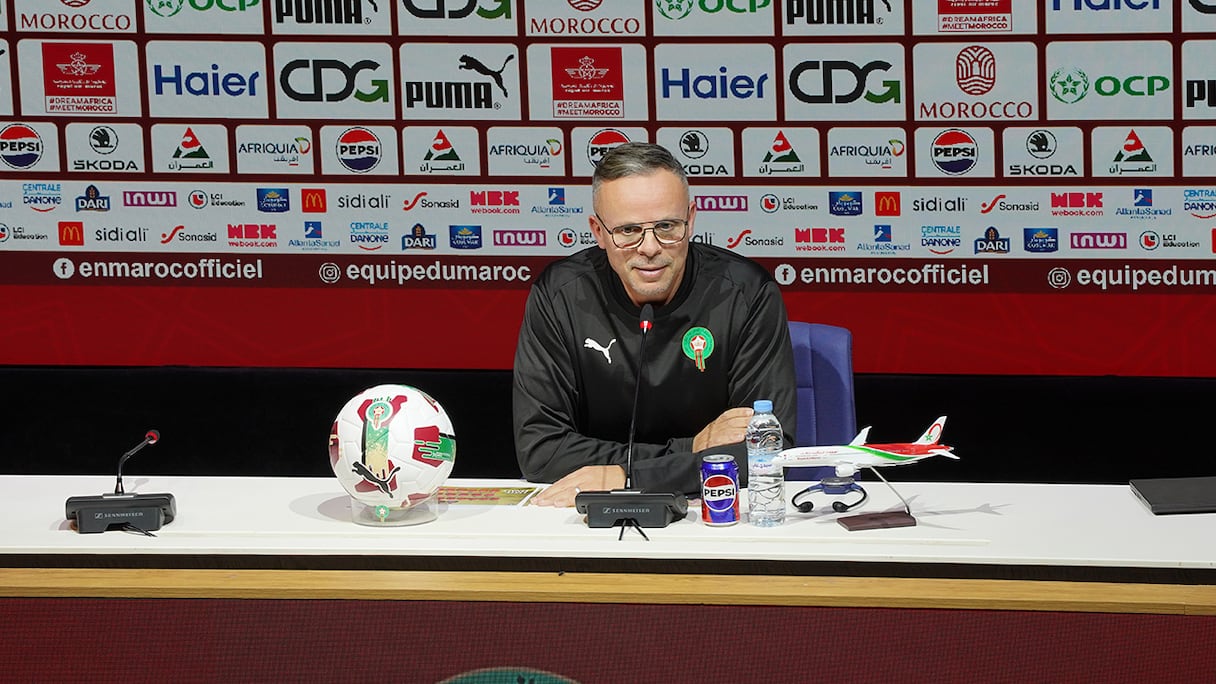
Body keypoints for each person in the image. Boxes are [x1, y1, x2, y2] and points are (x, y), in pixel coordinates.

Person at [512, 142, 796, 507]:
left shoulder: (746, 293)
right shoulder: (560, 296)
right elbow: (541, 451)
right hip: (587, 515)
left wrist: (629, 476)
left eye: (666, 226)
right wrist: (690, 449)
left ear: (691, 220)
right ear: (598, 232)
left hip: (714, 508)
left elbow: (767, 447)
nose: (649, 248)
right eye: (628, 230)